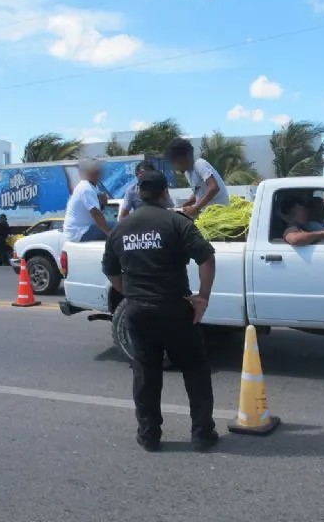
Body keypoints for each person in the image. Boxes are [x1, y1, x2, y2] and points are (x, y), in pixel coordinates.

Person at [102, 170, 219, 453]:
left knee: (145, 373)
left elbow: (111, 271)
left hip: (138, 312)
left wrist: (131, 294)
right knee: (195, 369)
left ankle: (149, 435)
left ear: (139, 194)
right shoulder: (176, 222)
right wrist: (203, 297)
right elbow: (206, 258)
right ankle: (202, 434)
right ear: (165, 193)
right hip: (175, 308)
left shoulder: (121, 229)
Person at [165, 138, 229, 218]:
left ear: (184, 158)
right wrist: (181, 207)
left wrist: (196, 208)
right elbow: (197, 193)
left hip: (219, 212)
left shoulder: (199, 164)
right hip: (207, 212)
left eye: (175, 162)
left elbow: (214, 188)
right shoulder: (188, 172)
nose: (174, 167)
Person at [63, 160, 112, 242]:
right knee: (117, 228)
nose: (98, 174)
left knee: (114, 227)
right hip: (79, 231)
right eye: (96, 172)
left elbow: (99, 209)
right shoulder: (86, 188)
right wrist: (109, 233)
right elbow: (96, 214)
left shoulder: (94, 188)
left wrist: (103, 204)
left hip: (83, 229)